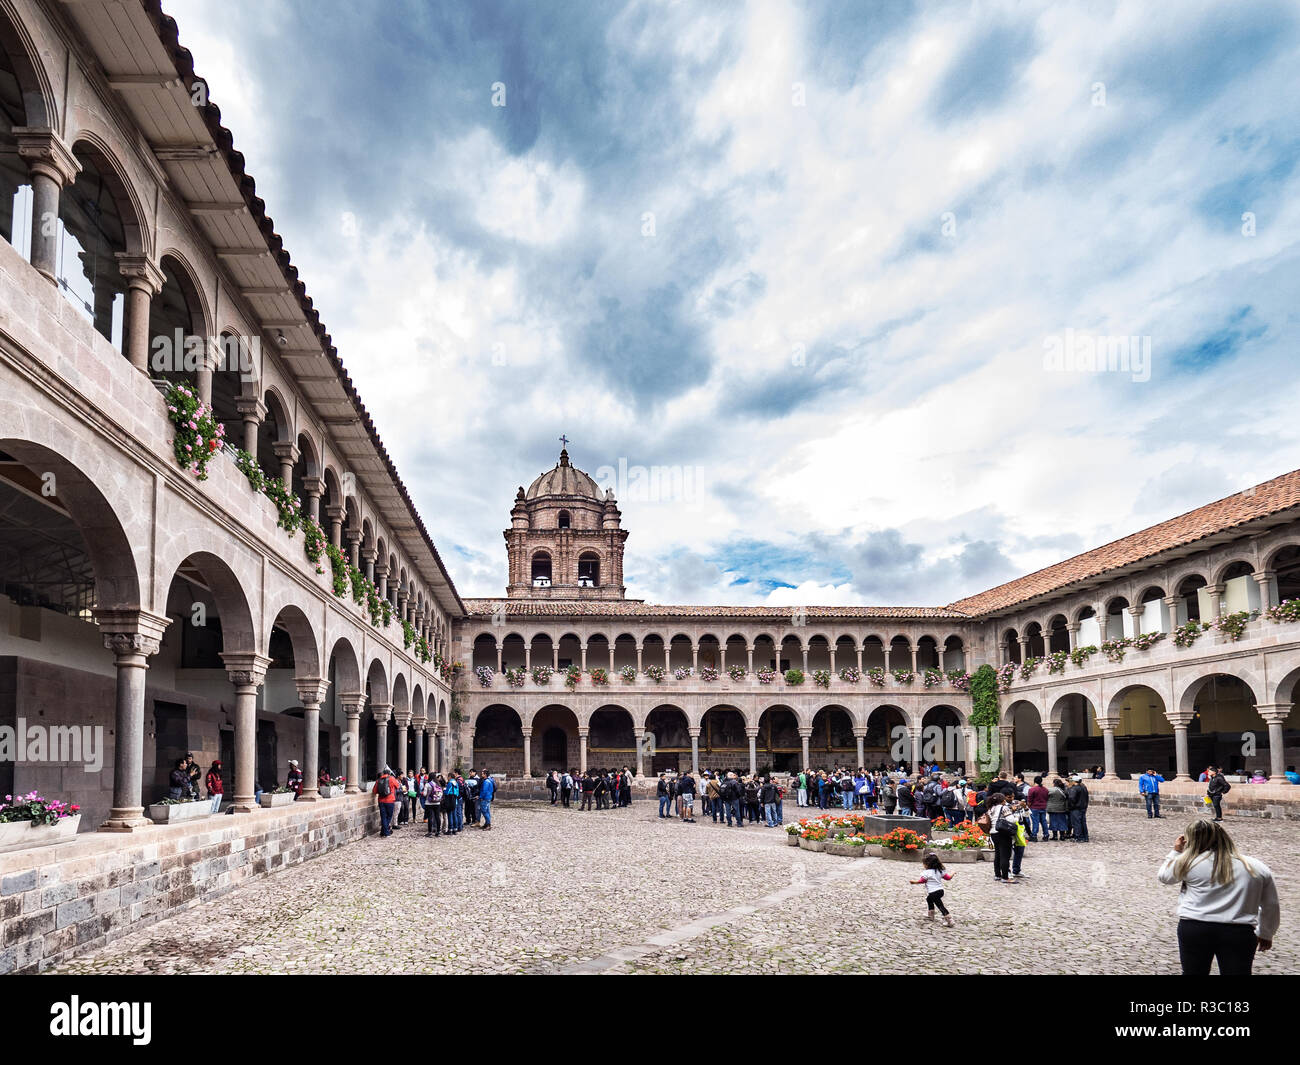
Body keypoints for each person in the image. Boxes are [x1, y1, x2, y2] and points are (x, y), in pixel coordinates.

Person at [1157, 819, 1279, 975]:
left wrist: (1176, 852)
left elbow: (1165, 876)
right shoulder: (1255, 866)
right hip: (1238, 931)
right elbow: (1271, 905)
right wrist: (1266, 932)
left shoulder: (1188, 863)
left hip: (1195, 927)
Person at [910, 853, 955, 927]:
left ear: (927, 864)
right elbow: (948, 878)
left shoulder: (926, 873)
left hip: (933, 892)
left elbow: (923, 881)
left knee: (940, 906)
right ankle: (931, 914)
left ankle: (949, 919)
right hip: (940, 891)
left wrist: (914, 882)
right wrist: (953, 873)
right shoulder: (940, 871)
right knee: (929, 899)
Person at [986, 793, 1018, 884]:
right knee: (1005, 855)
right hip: (1002, 833)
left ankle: (997, 875)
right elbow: (1011, 820)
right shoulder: (1004, 808)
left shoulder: (991, 809)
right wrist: (1016, 816)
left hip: (993, 833)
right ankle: (1005, 877)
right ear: (1002, 800)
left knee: (998, 854)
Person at [372, 766, 398, 837]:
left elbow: (374, 791)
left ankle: (383, 832)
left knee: (383, 817)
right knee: (389, 817)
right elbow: (397, 786)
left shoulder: (378, 780)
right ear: (389, 773)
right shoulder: (392, 779)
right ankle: (386, 832)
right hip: (390, 800)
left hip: (381, 800)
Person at [1066, 775, 1089, 842]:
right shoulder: (1084, 788)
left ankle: (1078, 837)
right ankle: (1085, 837)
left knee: (1076, 823)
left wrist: (1071, 806)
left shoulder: (1074, 788)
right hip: (1083, 807)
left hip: (1076, 808)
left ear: (1074, 781)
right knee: (1083, 822)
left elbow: (1071, 798)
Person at [1025, 775, 1048, 841]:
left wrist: (1028, 807)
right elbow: (1046, 798)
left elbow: (1029, 800)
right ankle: (1046, 835)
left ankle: (1034, 835)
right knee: (1044, 821)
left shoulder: (1032, 789)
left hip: (1034, 807)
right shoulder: (1045, 789)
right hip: (1043, 807)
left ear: (1034, 781)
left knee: (1035, 822)